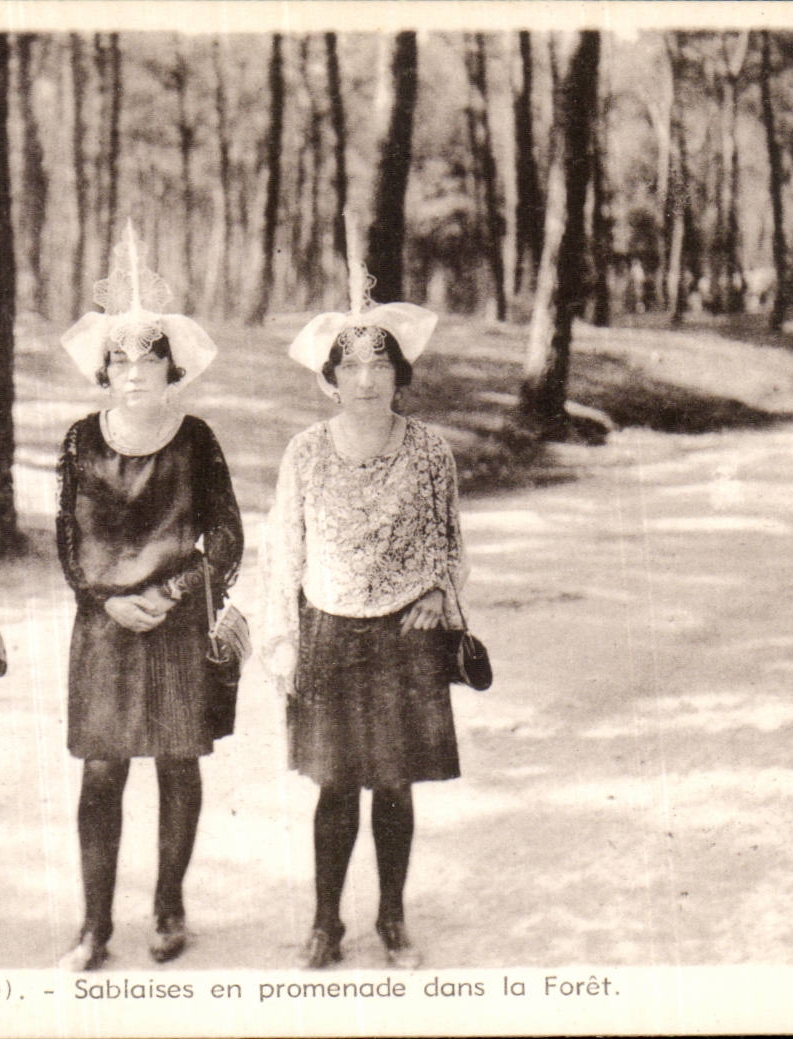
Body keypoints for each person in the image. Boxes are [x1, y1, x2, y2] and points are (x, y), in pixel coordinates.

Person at [261, 225, 468, 971]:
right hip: (330, 632)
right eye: (350, 365)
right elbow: (284, 547)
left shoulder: (430, 450)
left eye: (380, 362)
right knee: (334, 786)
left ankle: (393, 918)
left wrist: (440, 595)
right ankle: (324, 923)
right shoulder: (306, 451)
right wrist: (282, 639)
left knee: (394, 783)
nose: (367, 379)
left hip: (403, 640)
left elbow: (448, 539)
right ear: (330, 377)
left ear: (399, 371)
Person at [54, 223, 244, 970]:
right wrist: (103, 600)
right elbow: (69, 541)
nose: (135, 369)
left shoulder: (195, 439)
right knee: (102, 771)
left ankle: (168, 905)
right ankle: (93, 924)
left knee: (176, 765)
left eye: (150, 355)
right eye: (120, 356)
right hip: (104, 628)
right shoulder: (79, 439)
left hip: (174, 626)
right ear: (104, 368)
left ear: (173, 366)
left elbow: (226, 535)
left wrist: (174, 589)